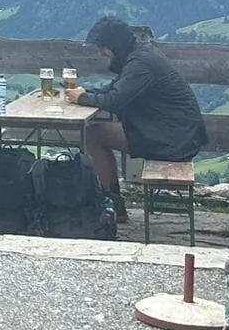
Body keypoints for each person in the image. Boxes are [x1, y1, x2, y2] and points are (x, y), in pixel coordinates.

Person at [62, 15, 207, 220]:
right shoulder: (140, 55)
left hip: (173, 140)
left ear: (114, 44)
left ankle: (111, 205)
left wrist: (83, 98)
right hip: (176, 133)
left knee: (94, 136)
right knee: (96, 132)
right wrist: (86, 92)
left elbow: (114, 100)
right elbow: (116, 89)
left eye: (103, 47)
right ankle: (111, 203)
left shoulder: (140, 63)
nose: (101, 52)